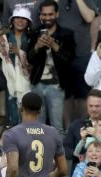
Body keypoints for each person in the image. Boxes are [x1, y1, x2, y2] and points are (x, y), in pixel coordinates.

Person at [26, 0, 75, 134]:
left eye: (50, 14)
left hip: (57, 86)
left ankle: (58, 155)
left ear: (57, 14)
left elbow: (70, 59)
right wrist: (37, 46)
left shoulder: (66, 34)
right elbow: (28, 58)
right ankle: (39, 154)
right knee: (37, 127)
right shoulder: (35, 33)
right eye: (44, 15)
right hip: (37, 85)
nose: (47, 18)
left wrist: (54, 45)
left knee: (57, 128)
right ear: (40, 16)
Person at [64, 89, 101, 174]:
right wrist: (81, 156)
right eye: (90, 106)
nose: (93, 109)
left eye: (97, 106)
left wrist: (97, 135)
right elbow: (65, 150)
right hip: (80, 174)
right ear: (86, 105)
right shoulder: (76, 125)